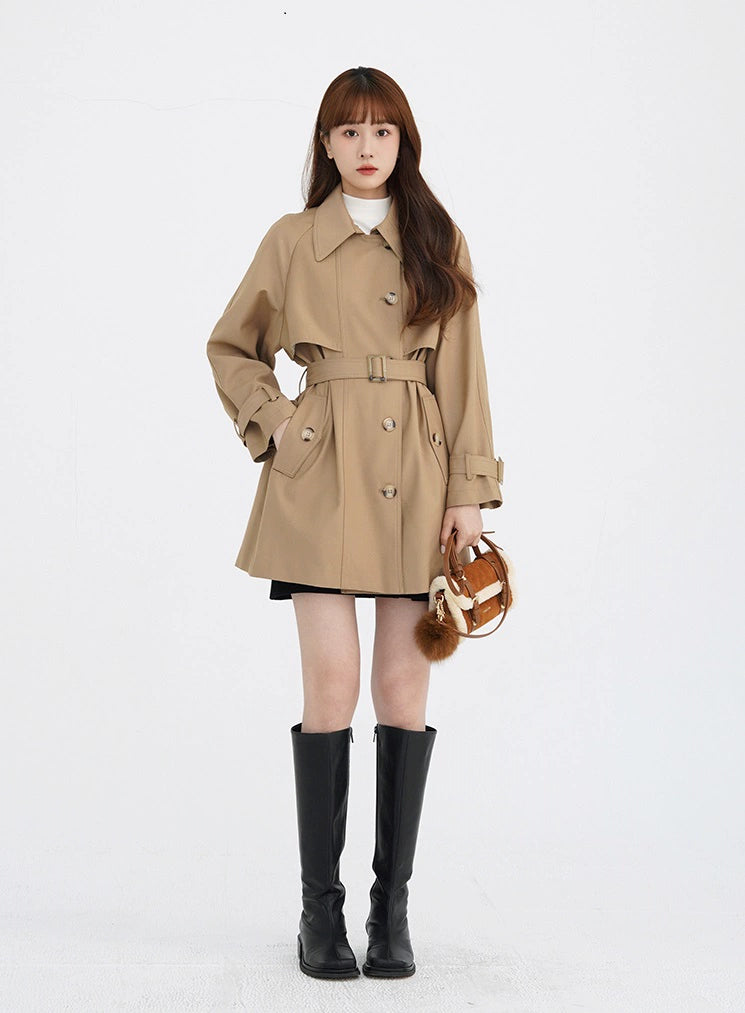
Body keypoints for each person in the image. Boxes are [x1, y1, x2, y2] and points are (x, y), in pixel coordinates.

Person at [205, 66, 505, 980]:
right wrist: (278, 424)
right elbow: (231, 345)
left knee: (403, 693)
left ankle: (390, 911)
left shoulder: (436, 237)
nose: (365, 146)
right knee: (330, 687)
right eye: (348, 130)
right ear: (325, 144)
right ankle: (319, 913)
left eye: (381, 130)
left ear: (402, 142)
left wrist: (467, 491)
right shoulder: (292, 239)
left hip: (416, 477)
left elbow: (464, 374)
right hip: (320, 478)